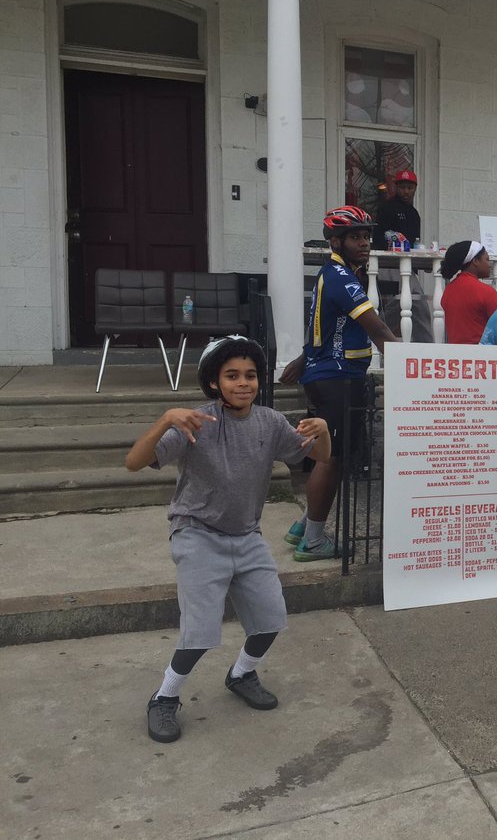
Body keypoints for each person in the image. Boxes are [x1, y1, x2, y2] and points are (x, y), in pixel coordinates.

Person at [127, 336, 331, 743]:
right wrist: (167, 418)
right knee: (200, 631)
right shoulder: (194, 421)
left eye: (250, 375)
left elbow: (320, 457)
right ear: (214, 382)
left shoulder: (270, 422)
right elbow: (134, 462)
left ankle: (241, 673)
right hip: (197, 533)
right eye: (232, 375)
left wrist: (323, 431)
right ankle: (164, 697)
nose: (243, 383)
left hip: (247, 534)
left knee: (270, 618)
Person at [281, 206, 400, 561]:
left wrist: (304, 357)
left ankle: (305, 524)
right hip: (336, 378)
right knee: (329, 460)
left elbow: (325, 322)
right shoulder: (341, 277)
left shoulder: (341, 272)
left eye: (367, 236)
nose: (364, 242)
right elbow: (376, 328)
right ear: (336, 241)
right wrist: (413, 367)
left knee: (331, 456)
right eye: (355, 237)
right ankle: (314, 541)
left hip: (330, 373)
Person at [373, 169, 432, 343]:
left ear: (415, 189)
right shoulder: (387, 208)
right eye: (403, 187)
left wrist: (422, 263)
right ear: (396, 188)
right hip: (388, 266)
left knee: (419, 306)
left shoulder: (414, 214)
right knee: (396, 305)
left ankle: (427, 347)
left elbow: (413, 245)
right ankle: (374, 339)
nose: (406, 191)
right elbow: (377, 239)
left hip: (407, 268)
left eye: (410, 188)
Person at [439, 240, 497, 344]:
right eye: (487, 259)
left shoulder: (448, 290)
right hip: (483, 356)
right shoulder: (486, 292)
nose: (489, 265)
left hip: (455, 356)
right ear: (475, 261)